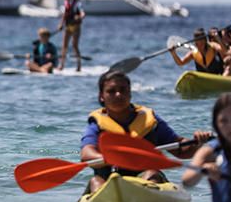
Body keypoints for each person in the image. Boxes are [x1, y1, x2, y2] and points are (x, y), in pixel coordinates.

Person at [80, 70, 211, 193]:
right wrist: (111, 158)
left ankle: (147, 201)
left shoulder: (150, 121)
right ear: (102, 96)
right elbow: (86, 154)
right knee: (95, 181)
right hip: (109, 181)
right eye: (111, 91)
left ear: (130, 93)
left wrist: (197, 143)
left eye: (123, 90)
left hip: (146, 179)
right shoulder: (96, 125)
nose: (118, 95)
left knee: (152, 173)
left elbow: (181, 150)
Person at [57, 0, 84, 72]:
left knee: (74, 46)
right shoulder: (66, 2)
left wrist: (79, 17)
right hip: (68, 26)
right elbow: (65, 14)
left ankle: (79, 66)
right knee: (64, 46)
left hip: (76, 27)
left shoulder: (77, 3)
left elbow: (82, 13)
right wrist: (61, 24)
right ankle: (61, 65)